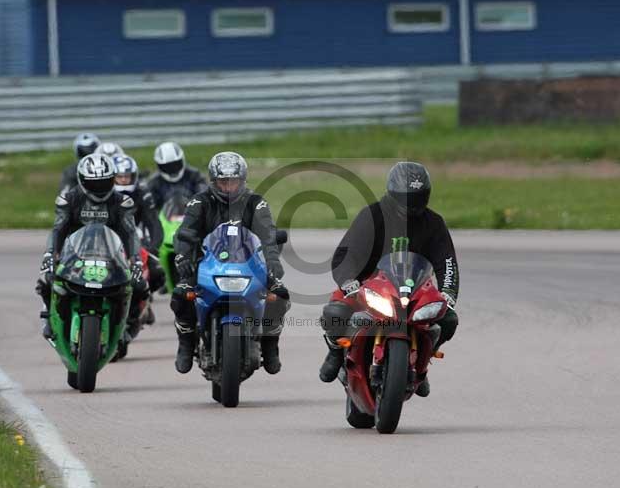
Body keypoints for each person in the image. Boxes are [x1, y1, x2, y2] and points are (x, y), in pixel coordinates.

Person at [318, 161, 460, 397]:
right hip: (368, 285)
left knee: (449, 319)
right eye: (407, 199)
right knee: (335, 312)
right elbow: (346, 254)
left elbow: (447, 262)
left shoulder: (434, 223)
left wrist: (448, 293)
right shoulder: (372, 215)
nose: (412, 206)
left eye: (417, 198)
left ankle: (421, 364)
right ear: (393, 194)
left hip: (414, 288)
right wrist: (348, 281)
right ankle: (335, 352)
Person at [169, 151, 289, 375]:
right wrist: (183, 257)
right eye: (223, 182)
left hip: (248, 266)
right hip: (206, 265)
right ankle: (185, 344)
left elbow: (268, 235)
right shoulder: (199, 202)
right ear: (214, 181)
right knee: (180, 294)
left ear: (242, 180)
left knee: (279, 295)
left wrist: (272, 261)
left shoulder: (256, 203)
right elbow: (185, 234)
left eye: (233, 182)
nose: (228, 187)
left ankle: (270, 346)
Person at [36, 153, 149, 339]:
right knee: (48, 279)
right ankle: (50, 317)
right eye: (93, 183)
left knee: (139, 285)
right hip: (74, 257)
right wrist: (50, 253)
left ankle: (131, 321)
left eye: (104, 182)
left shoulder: (122, 202)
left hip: (111, 257)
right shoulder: (69, 200)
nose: (99, 188)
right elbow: (58, 229)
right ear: (81, 180)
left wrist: (136, 259)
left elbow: (130, 233)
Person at [113, 154, 166, 294]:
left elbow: (154, 223)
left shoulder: (142, 194)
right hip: (108, 242)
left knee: (157, 272)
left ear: (134, 176)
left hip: (135, 240)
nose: (124, 180)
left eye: (127, 176)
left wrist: (153, 249)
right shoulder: (104, 194)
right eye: (119, 176)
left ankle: (144, 299)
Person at [144, 142, 209, 207]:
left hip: (192, 215)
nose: (172, 169)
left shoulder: (195, 176)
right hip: (163, 216)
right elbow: (148, 205)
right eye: (167, 166)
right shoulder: (154, 182)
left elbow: (204, 194)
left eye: (175, 165)